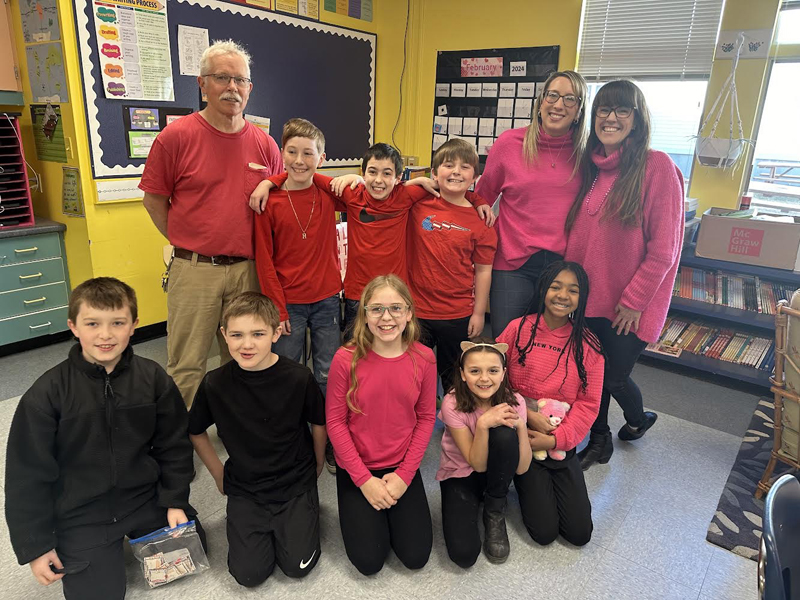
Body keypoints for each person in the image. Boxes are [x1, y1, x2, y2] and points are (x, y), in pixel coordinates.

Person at [5, 277, 199, 600]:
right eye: (92, 323)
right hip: (82, 512)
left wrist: (175, 500)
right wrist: (36, 546)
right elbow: (26, 476)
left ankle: (136, 536)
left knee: (190, 557)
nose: (105, 335)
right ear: (73, 326)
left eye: (117, 323)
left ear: (134, 325)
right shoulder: (46, 394)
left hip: (142, 498)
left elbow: (174, 445)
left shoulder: (153, 379)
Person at [140, 39, 282, 407]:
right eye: (222, 78)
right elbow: (153, 200)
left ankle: (237, 429)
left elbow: (280, 204)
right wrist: (186, 240)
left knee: (244, 359)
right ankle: (178, 442)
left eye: (240, 80)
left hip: (248, 271)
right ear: (202, 84)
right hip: (194, 269)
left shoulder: (265, 144)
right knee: (187, 363)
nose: (232, 88)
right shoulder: (176, 137)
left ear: (250, 88)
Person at [564, 79, 684, 470]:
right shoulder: (592, 168)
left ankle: (637, 420)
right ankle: (599, 443)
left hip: (628, 305)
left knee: (613, 378)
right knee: (590, 375)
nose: (610, 118)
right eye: (603, 109)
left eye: (622, 110)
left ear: (637, 118)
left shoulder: (657, 167)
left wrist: (634, 301)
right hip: (589, 300)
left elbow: (664, 249)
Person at [188, 292, 326, 587]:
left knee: (297, 567)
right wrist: (217, 473)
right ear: (224, 335)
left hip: (294, 481)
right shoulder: (215, 383)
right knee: (248, 575)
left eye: (258, 333)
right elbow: (196, 431)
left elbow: (318, 421)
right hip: (246, 487)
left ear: (276, 333)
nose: (247, 344)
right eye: (237, 334)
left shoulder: (299, 377)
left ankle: (305, 510)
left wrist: (318, 462)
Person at [326, 274, 436, 575]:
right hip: (357, 468)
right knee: (368, 562)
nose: (386, 317)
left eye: (396, 308)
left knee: (416, 557)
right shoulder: (345, 359)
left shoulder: (424, 358)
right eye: (376, 309)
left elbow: (427, 418)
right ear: (364, 314)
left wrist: (404, 475)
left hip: (402, 467)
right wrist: (363, 480)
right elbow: (335, 423)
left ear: (409, 313)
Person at [496, 261, 604, 546]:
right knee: (543, 533)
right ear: (543, 289)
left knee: (580, 533)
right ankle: (514, 478)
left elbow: (589, 404)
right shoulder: (517, 329)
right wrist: (527, 417)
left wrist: (557, 439)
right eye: (555, 286)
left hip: (560, 438)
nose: (562, 295)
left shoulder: (589, 345)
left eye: (573, 290)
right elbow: (493, 381)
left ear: (582, 298)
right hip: (523, 433)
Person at [475, 70, 589, 337]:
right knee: (506, 343)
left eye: (570, 99)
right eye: (552, 95)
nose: (559, 105)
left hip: (563, 267)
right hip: (512, 263)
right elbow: (481, 198)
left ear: (580, 110)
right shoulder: (509, 143)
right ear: (541, 101)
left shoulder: (585, 153)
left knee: (548, 346)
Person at [406, 138, 497, 393]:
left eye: (465, 167)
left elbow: (483, 270)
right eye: (448, 165)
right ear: (434, 173)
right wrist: (414, 182)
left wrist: (479, 313)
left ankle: (452, 423)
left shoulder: (482, 221)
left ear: (474, 177)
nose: (456, 171)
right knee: (412, 372)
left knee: (453, 376)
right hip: (416, 309)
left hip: (456, 312)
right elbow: (389, 193)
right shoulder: (416, 204)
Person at [437, 338, 532, 567]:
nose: (484, 378)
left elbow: (522, 468)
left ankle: (494, 509)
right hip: (462, 472)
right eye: (474, 371)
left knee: (504, 433)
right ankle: (481, 498)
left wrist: (520, 427)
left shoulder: (516, 401)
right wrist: (482, 425)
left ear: (503, 373)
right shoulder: (451, 403)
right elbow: (477, 464)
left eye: (492, 370)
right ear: (462, 374)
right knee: (463, 554)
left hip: (497, 475)